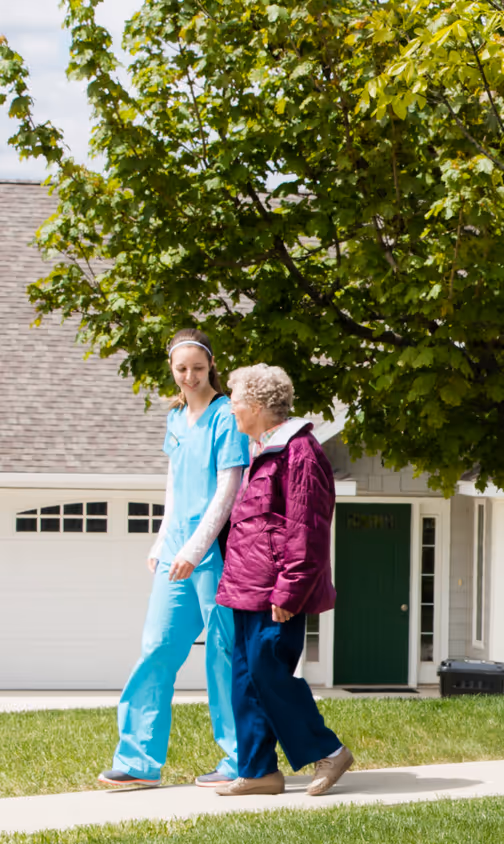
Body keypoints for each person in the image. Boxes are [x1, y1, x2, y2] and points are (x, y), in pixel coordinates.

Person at [99, 329, 248, 790]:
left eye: (197, 369)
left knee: (224, 655)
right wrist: (162, 540)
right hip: (176, 553)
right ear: (172, 369)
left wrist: (193, 549)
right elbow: (173, 484)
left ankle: (241, 760)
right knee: (157, 647)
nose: (189, 377)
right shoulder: (176, 418)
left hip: (213, 553)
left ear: (211, 366)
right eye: (181, 369)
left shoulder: (226, 416)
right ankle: (139, 761)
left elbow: (228, 489)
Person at [215, 364, 354, 797]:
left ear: (256, 405)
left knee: (267, 671)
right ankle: (258, 770)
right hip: (245, 587)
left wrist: (291, 588)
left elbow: (307, 528)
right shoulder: (263, 450)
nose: (231, 408)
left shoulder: (300, 453)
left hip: (276, 590)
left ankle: (329, 750)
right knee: (245, 676)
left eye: (235, 400)